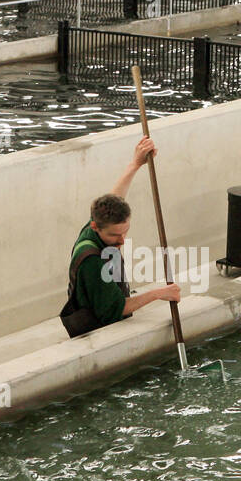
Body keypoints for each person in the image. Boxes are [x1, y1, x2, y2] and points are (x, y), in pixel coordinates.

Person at [60, 136, 182, 337]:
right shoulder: (92, 261)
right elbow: (116, 308)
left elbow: (116, 197)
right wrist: (160, 293)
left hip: (105, 307)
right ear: (95, 227)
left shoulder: (97, 225)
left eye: (125, 232)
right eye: (115, 235)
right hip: (97, 328)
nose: (122, 240)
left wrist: (135, 164)